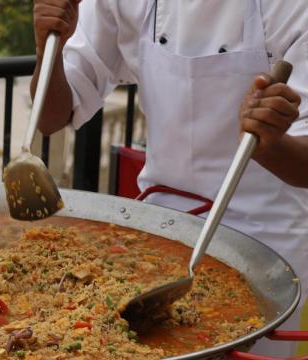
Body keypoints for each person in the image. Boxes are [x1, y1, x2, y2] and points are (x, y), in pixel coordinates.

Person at [32, 0, 308, 356]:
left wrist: (268, 143)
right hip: (157, 232)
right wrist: (47, 47)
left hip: (264, 245)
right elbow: (51, 116)